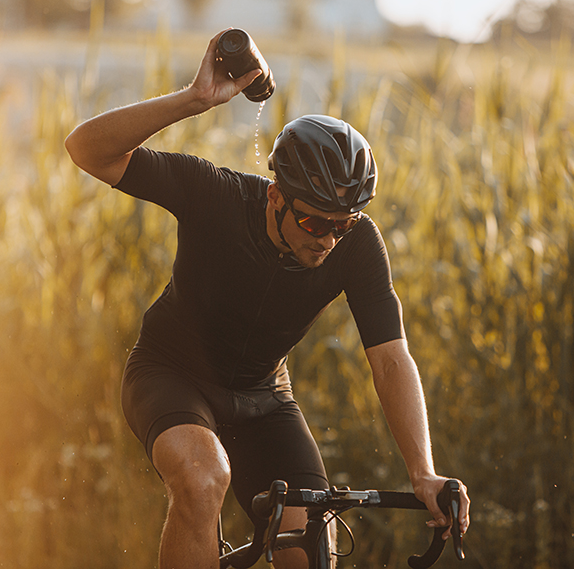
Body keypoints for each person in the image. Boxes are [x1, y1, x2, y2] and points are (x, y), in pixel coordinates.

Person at [64, 29, 469, 569]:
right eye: (314, 222)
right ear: (276, 196)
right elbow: (85, 149)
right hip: (171, 375)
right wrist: (193, 99)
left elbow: (392, 359)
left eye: (343, 225)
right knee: (202, 478)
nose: (328, 240)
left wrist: (423, 472)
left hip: (264, 399)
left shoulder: (358, 245)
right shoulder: (215, 195)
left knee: (311, 547)